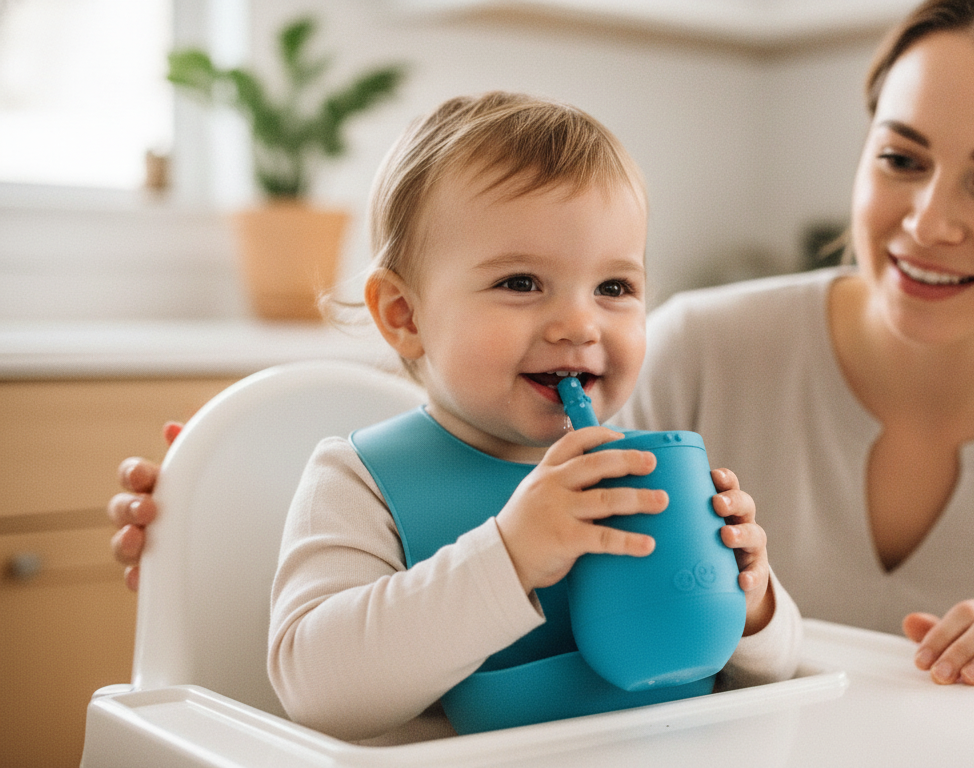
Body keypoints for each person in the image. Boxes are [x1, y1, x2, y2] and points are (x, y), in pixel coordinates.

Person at [111, 0, 974, 696]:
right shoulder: (687, 359)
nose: (927, 222)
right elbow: (459, 443)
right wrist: (221, 503)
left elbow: (753, 658)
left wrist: (760, 599)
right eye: (901, 158)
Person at [134, 92, 804, 744]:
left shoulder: (640, 476)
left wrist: (751, 600)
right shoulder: (362, 481)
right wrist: (510, 556)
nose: (580, 323)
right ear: (405, 315)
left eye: (614, 287)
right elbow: (316, 689)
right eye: (521, 283)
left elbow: (777, 670)